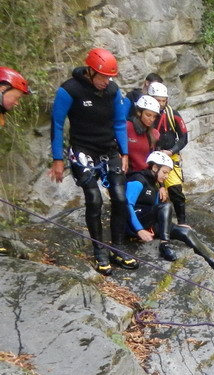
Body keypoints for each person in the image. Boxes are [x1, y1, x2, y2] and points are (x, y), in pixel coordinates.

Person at [49, 48, 135, 275]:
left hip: (108, 149)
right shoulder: (69, 90)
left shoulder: (113, 91)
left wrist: (125, 153)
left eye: (110, 77)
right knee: (94, 199)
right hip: (83, 150)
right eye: (103, 76)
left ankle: (117, 248)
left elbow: (119, 123)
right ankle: (99, 251)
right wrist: (58, 159)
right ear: (90, 71)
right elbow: (57, 124)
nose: (107, 81)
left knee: (120, 196)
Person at [125, 151, 214, 276]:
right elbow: (126, 205)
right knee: (166, 205)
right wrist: (139, 230)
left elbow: (155, 210)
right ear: (155, 168)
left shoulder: (154, 184)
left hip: (148, 223)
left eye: (168, 173)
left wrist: (170, 225)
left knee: (185, 232)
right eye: (164, 172)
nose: (166, 176)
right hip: (133, 224)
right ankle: (164, 244)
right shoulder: (138, 180)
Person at [148, 81, 189, 224]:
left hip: (170, 157)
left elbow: (184, 137)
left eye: (163, 101)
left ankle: (182, 223)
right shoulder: (146, 116)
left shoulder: (173, 114)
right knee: (152, 192)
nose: (160, 104)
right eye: (157, 100)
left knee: (176, 192)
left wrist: (171, 151)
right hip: (151, 158)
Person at [126, 95, 161, 172]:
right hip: (128, 173)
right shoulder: (127, 127)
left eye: (154, 116)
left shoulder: (155, 134)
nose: (151, 119)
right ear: (139, 112)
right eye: (148, 115)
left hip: (146, 173)